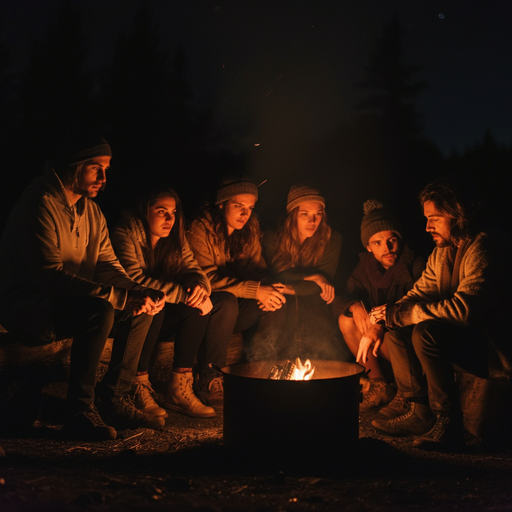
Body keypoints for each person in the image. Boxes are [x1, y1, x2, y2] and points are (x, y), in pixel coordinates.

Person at [0, 130, 165, 441]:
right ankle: (78, 412)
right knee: (100, 311)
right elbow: (51, 278)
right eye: (95, 168)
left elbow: (107, 266)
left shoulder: (91, 211)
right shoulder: (39, 204)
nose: (103, 177)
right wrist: (120, 297)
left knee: (139, 309)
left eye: (107, 169)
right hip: (27, 307)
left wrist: (136, 292)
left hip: (67, 303)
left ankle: (114, 399)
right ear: (73, 166)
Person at [366, 175, 512, 449]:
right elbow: (420, 293)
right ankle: (419, 411)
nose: (427, 226)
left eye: (435, 217)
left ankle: (448, 424)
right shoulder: (444, 250)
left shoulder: (486, 246)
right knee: (398, 323)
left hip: (497, 349)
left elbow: (463, 311)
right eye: (426, 218)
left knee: (427, 332)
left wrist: (403, 314)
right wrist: (385, 318)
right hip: (472, 339)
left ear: (458, 214)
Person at [110, 187, 216, 418]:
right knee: (153, 305)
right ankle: (138, 385)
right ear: (144, 211)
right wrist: (184, 294)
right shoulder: (124, 233)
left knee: (198, 308)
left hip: (161, 312)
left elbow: (193, 268)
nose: (170, 218)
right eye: (161, 211)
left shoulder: (175, 238)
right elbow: (134, 279)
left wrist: (200, 287)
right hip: (126, 312)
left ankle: (180, 389)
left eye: (173, 212)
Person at [187, 176, 287, 392]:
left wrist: (269, 286)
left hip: (233, 314)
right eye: (238, 206)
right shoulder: (199, 229)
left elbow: (257, 271)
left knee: (276, 298)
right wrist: (255, 290)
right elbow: (206, 280)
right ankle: (210, 379)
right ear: (221, 204)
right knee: (227, 301)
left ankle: (261, 371)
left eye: (250, 208)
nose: (245, 213)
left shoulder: (248, 230)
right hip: (202, 314)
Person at [332, 200, 425, 411]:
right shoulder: (365, 268)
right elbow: (342, 298)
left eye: (391, 240)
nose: (387, 248)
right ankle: (379, 385)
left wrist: (382, 322)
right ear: (368, 246)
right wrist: (354, 305)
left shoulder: (415, 265)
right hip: (383, 345)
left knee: (394, 330)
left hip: (411, 346)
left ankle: (409, 393)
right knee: (346, 318)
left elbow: (422, 306)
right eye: (377, 243)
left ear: (399, 239)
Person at [262, 183, 347, 360]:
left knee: (314, 303)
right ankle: (267, 362)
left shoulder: (332, 239)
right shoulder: (273, 237)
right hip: (280, 297)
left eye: (318, 214)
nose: (313, 221)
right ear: (293, 215)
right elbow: (278, 273)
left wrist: (290, 288)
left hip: (313, 301)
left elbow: (323, 284)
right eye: (305, 214)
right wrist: (312, 277)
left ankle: (316, 366)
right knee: (278, 303)